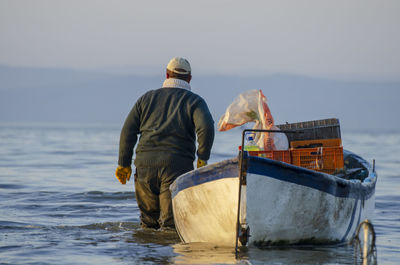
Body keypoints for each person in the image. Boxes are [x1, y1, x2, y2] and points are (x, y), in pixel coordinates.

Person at [115, 57, 215, 230]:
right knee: (170, 225)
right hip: (176, 167)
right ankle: (167, 256)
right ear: (189, 78)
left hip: (144, 166)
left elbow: (127, 131)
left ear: (167, 74)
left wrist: (123, 164)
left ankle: (149, 255)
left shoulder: (146, 99)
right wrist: (202, 158)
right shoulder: (194, 101)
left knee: (148, 225)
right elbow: (206, 127)